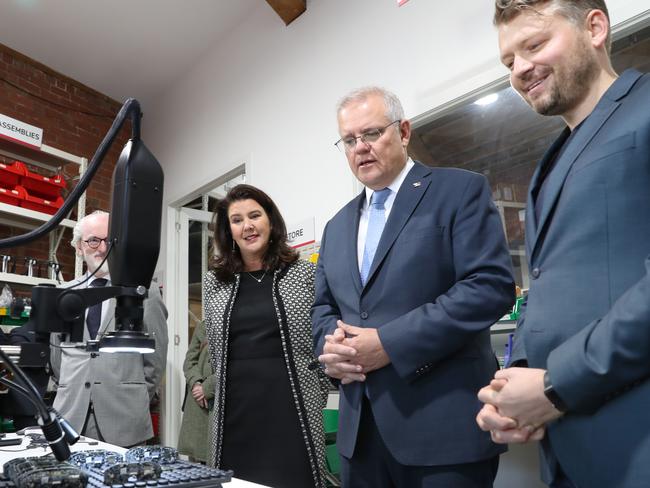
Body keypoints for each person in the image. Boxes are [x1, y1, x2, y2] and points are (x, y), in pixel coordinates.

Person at [476, 2, 650, 487]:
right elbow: (546, 288)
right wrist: (515, 383)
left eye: (534, 45)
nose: (520, 69)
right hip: (568, 450)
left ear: (595, 27)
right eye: (509, 61)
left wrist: (556, 384)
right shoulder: (551, 163)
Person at [312, 86, 515, 487]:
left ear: (403, 132)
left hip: (443, 433)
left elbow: (488, 287)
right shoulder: (336, 228)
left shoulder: (458, 190)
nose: (360, 148)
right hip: (361, 438)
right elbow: (323, 309)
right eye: (349, 140)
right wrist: (331, 349)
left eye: (371, 134)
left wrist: (389, 343)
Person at [204, 184, 329, 488]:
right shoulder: (214, 281)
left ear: (270, 221)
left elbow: (323, 334)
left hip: (292, 405)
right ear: (228, 230)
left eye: (254, 215)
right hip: (235, 408)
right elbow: (215, 350)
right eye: (236, 220)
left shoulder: (303, 272)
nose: (247, 226)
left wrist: (319, 385)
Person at [50, 210, 168, 447]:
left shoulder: (142, 291)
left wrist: (131, 394)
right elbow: (56, 356)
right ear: (79, 248)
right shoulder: (64, 294)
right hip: (70, 417)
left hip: (125, 421)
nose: (102, 248)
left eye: (109, 241)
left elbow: (155, 359)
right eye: (93, 240)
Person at [178, 320, 213, 463]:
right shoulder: (204, 325)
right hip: (197, 406)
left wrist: (208, 387)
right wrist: (196, 384)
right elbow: (189, 362)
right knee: (194, 467)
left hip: (219, 403)